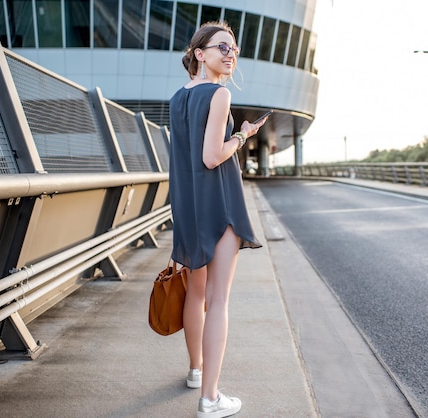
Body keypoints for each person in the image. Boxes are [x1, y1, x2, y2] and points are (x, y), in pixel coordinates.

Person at [168, 21, 265, 418]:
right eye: (221, 47)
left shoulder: (178, 97)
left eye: (234, 49)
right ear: (198, 53)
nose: (230, 54)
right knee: (219, 300)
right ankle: (210, 399)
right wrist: (242, 137)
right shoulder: (220, 93)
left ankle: (196, 371)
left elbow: (188, 157)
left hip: (189, 206)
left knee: (196, 293)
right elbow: (212, 157)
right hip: (219, 202)